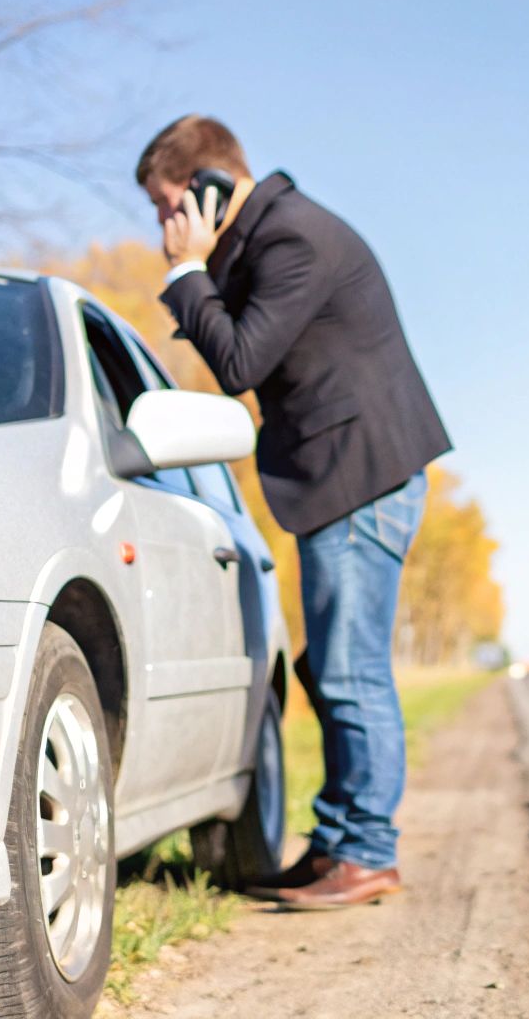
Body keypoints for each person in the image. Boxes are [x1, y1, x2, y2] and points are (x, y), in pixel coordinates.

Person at [136, 115, 451, 908]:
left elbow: (240, 361)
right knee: (331, 670)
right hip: (344, 480)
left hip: (360, 478)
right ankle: (340, 841)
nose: (164, 226)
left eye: (167, 205)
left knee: (350, 672)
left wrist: (188, 271)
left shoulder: (292, 239)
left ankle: (366, 852)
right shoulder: (268, 240)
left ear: (206, 189)